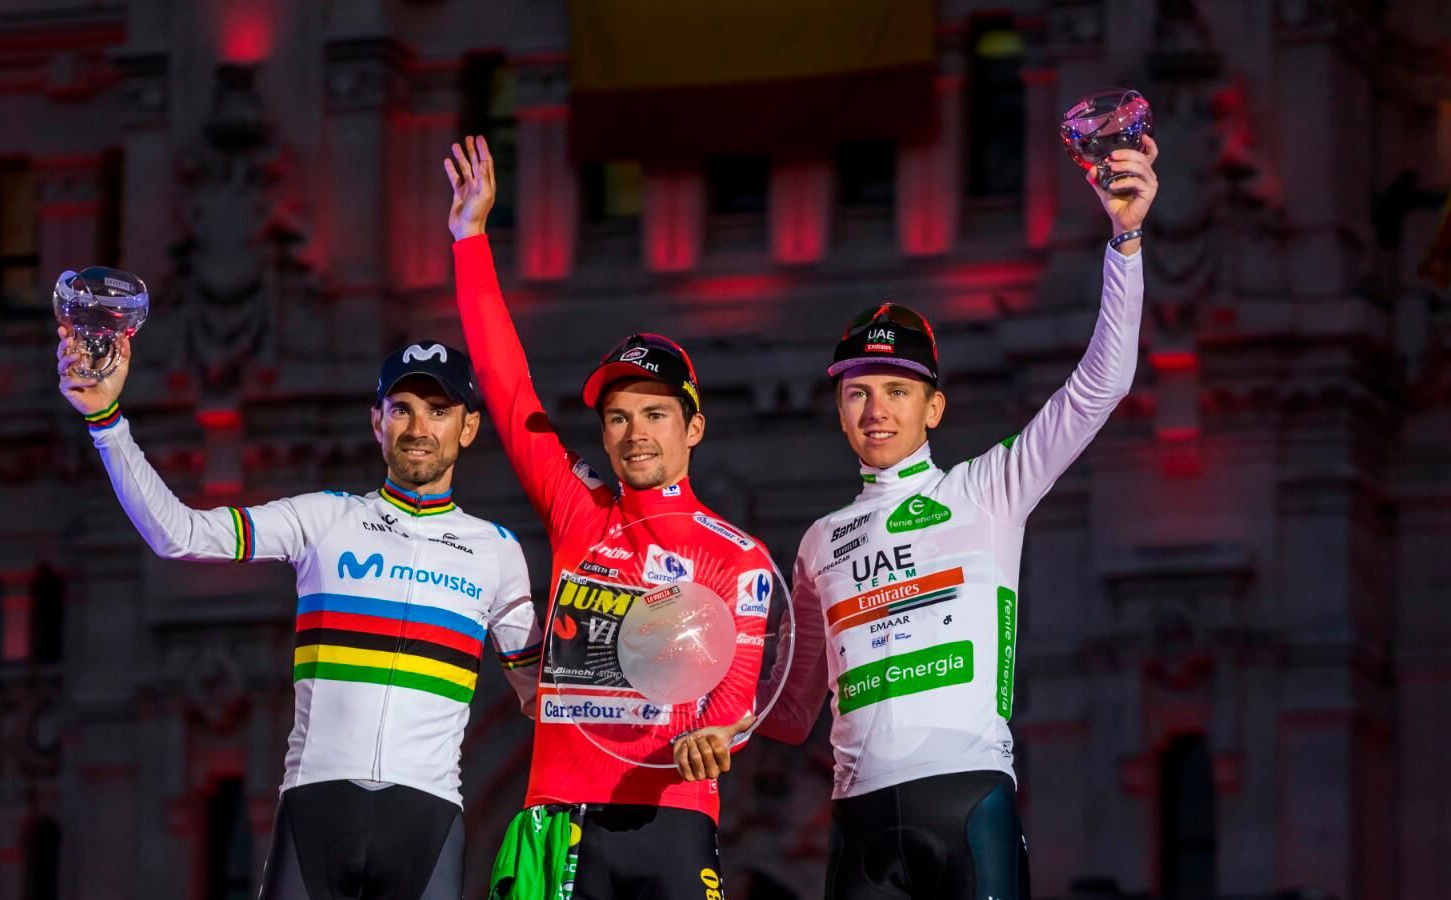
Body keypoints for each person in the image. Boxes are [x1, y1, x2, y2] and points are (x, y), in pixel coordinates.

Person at [760, 136, 1161, 899]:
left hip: (968, 802)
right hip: (857, 820)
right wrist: (698, 678)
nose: (876, 410)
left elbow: (1101, 386)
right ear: (839, 411)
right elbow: (790, 713)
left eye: (897, 391)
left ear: (934, 408)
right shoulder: (818, 542)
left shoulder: (988, 488)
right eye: (857, 393)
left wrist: (1125, 241)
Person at [57, 329, 541, 900]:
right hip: (315, 810)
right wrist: (105, 420)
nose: (418, 428)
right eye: (401, 409)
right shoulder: (323, 519)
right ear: (377, 421)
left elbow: (541, 697)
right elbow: (179, 534)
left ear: (469, 427)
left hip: (428, 823)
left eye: (439, 411)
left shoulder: (496, 551)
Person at [445, 135, 772, 900]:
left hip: (674, 819)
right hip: (562, 818)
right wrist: (470, 239)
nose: (635, 433)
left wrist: (716, 737)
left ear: (693, 428)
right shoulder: (578, 511)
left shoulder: (738, 555)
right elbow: (506, 386)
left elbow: (737, 699)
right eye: (618, 417)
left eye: (655, 414)